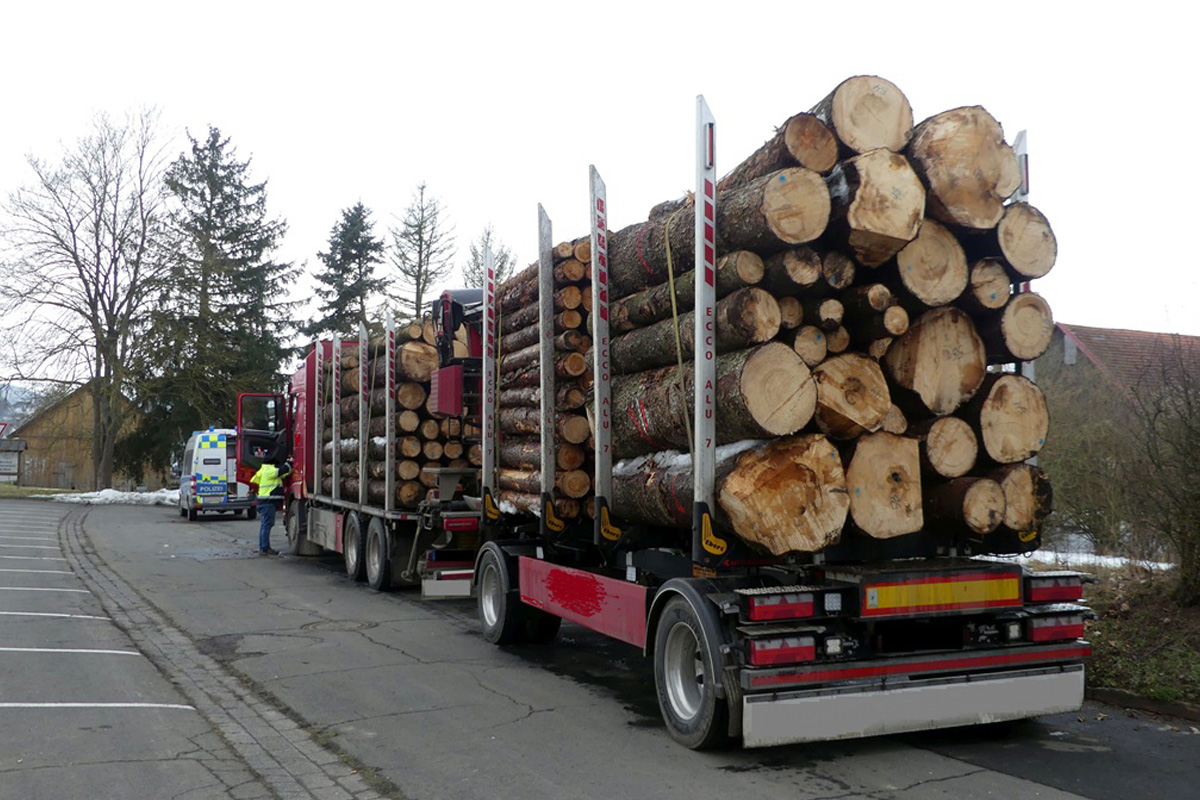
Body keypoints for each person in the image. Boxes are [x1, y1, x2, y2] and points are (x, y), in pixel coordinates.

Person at [250, 456, 292, 556]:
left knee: (264, 525)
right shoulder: (269, 470)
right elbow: (282, 470)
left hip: (263, 502)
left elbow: (283, 473)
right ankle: (265, 548)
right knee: (267, 525)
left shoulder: (262, 471)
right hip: (268, 502)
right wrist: (289, 463)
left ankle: (263, 547)